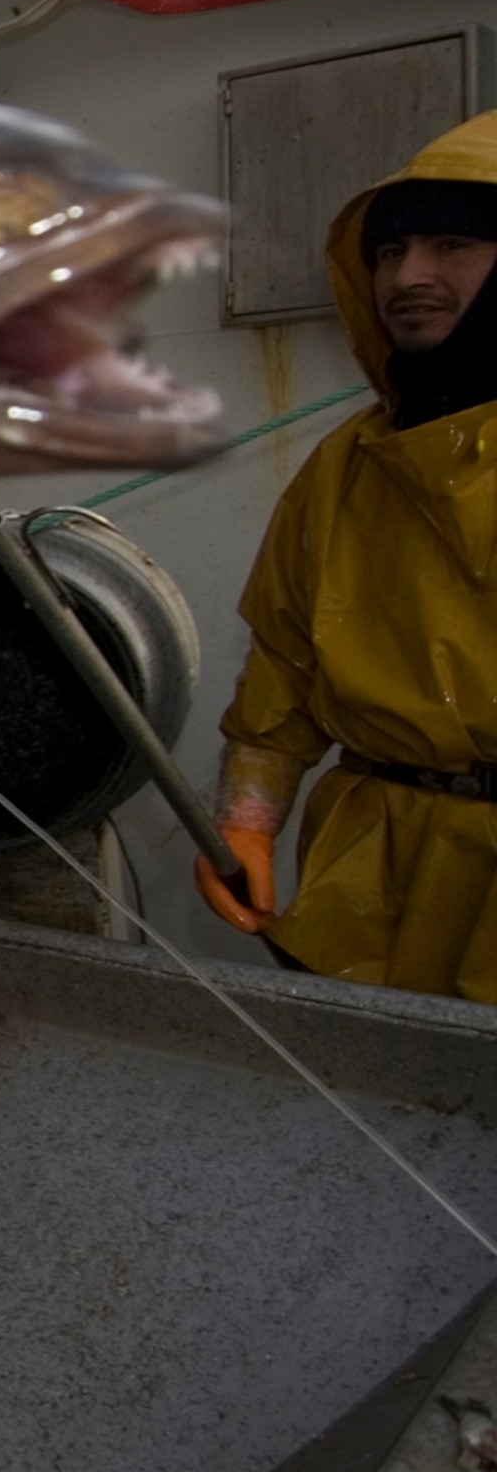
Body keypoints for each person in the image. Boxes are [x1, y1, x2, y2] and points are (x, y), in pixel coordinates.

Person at [198, 109, 497, 999]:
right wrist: (246, 824)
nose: (409, 276)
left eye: (452, 245)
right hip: (369, 884)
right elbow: (282, 681)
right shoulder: (344, 464)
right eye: (388, 252)